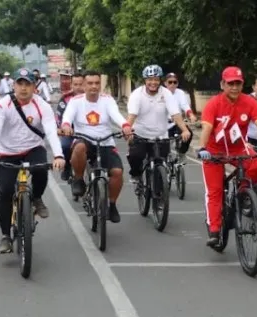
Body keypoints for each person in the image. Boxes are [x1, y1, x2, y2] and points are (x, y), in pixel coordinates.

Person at [0, 68, 65, 254]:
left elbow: (51, 130)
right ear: (14, 85)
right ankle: (5, 236)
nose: (24, 88)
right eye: (20, 83)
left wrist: (58, 155)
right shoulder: (3, 106)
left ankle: (36, 198)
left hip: (33, 148)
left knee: (42, 170)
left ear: (34, 87)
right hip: (7, 152)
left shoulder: (41, 105)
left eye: (28, 84)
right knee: (5, 191)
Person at [198, 66, 257, 246]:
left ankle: (243, 191)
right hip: (214, 151)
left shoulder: (249, 102)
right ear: (223, 84)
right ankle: (214, 230)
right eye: (230, 83)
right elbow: (206, 128)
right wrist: (202, 148)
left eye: (238, 83)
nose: (235, 87)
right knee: (214, 191)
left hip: (238, 149)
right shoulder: (213, 104)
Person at [60, 71, 132, 223]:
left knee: (117, 172)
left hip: (105, 142)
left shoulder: (107, 100)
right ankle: (78, 180)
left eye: (97, 83)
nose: (94, 86)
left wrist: (125, 126)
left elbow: (116, 115)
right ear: (84, 85)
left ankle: (111, 205)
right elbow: (67, 116)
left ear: (100, 84)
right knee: (78, 148)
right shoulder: (76, 101)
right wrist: (66, 125)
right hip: (85, 140)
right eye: (90, 83)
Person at [126, 65, 191, 184]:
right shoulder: (137, 95)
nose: (153, 82)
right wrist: (127, 130)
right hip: (141, 134)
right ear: (145, 80)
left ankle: (160, 195)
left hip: (161, 135)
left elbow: (175, 114)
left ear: (160, 80)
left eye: (156, 79)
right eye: (150, 79)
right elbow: (132, 116)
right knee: (136, 156)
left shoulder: (166, 93)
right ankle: (136, 175)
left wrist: (185, 129)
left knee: (161, 165)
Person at [55, 73, 84, 181]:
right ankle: (67, 166)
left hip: (88, 132)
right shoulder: (65, 99)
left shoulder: (93, 98)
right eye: (75, 84)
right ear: (71, 85)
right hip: (69, 132)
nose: (78, 87)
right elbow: (58, 116)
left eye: (81, 84)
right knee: (65, 146)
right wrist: (60, 128)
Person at [164, 72, 196, 161]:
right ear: (165, 83)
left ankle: (181, 153)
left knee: (189, 134)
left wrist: (191, 115)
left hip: (177, 123)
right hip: (163, 124)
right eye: (170, 82)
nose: (172, 84)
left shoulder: (180, 93)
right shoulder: (161, 93)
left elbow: (184, 105)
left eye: (175, 82)